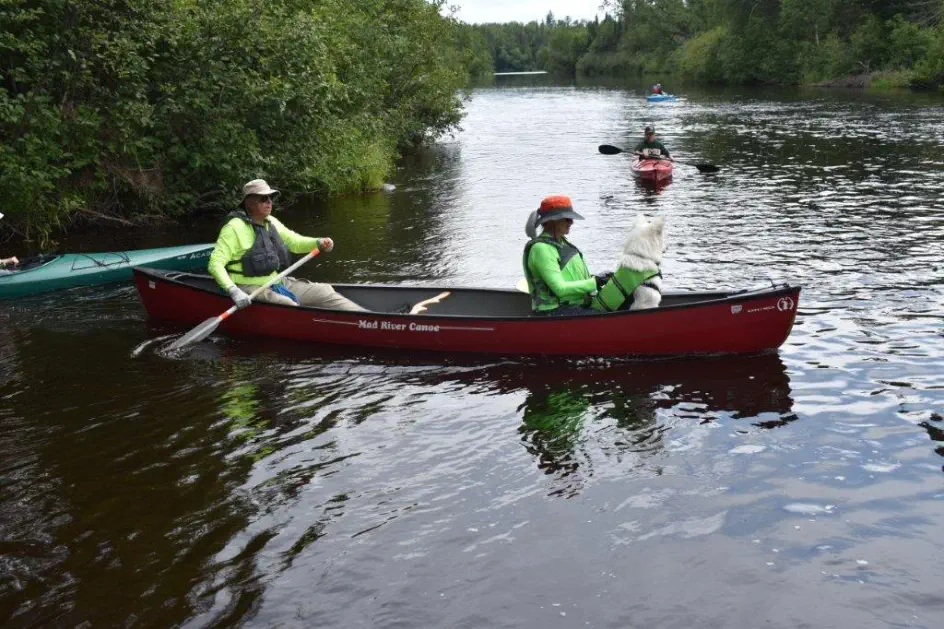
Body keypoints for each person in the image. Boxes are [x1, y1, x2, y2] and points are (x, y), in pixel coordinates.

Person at [208, 179, 366, 311]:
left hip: (276, 282)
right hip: (247, 288)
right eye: (264, 198)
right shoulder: (233, 228)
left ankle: (366, 318)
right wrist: (233, 291)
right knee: (289, 306)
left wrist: (318, 242)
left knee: (323, 291)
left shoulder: (271, 222)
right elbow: (215, 264)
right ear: (249, 203)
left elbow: (295, 243)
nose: (269, 202)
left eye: (270, 198)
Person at [522, 195, 610, 316]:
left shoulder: (561, 242)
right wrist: (595, 282)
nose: (572, 222)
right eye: (567, 219)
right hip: (552, 311)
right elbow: (560, 289)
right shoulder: (541, 249)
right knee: (602, 314)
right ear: (551, 221)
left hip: (573, 306)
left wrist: (601, 279)